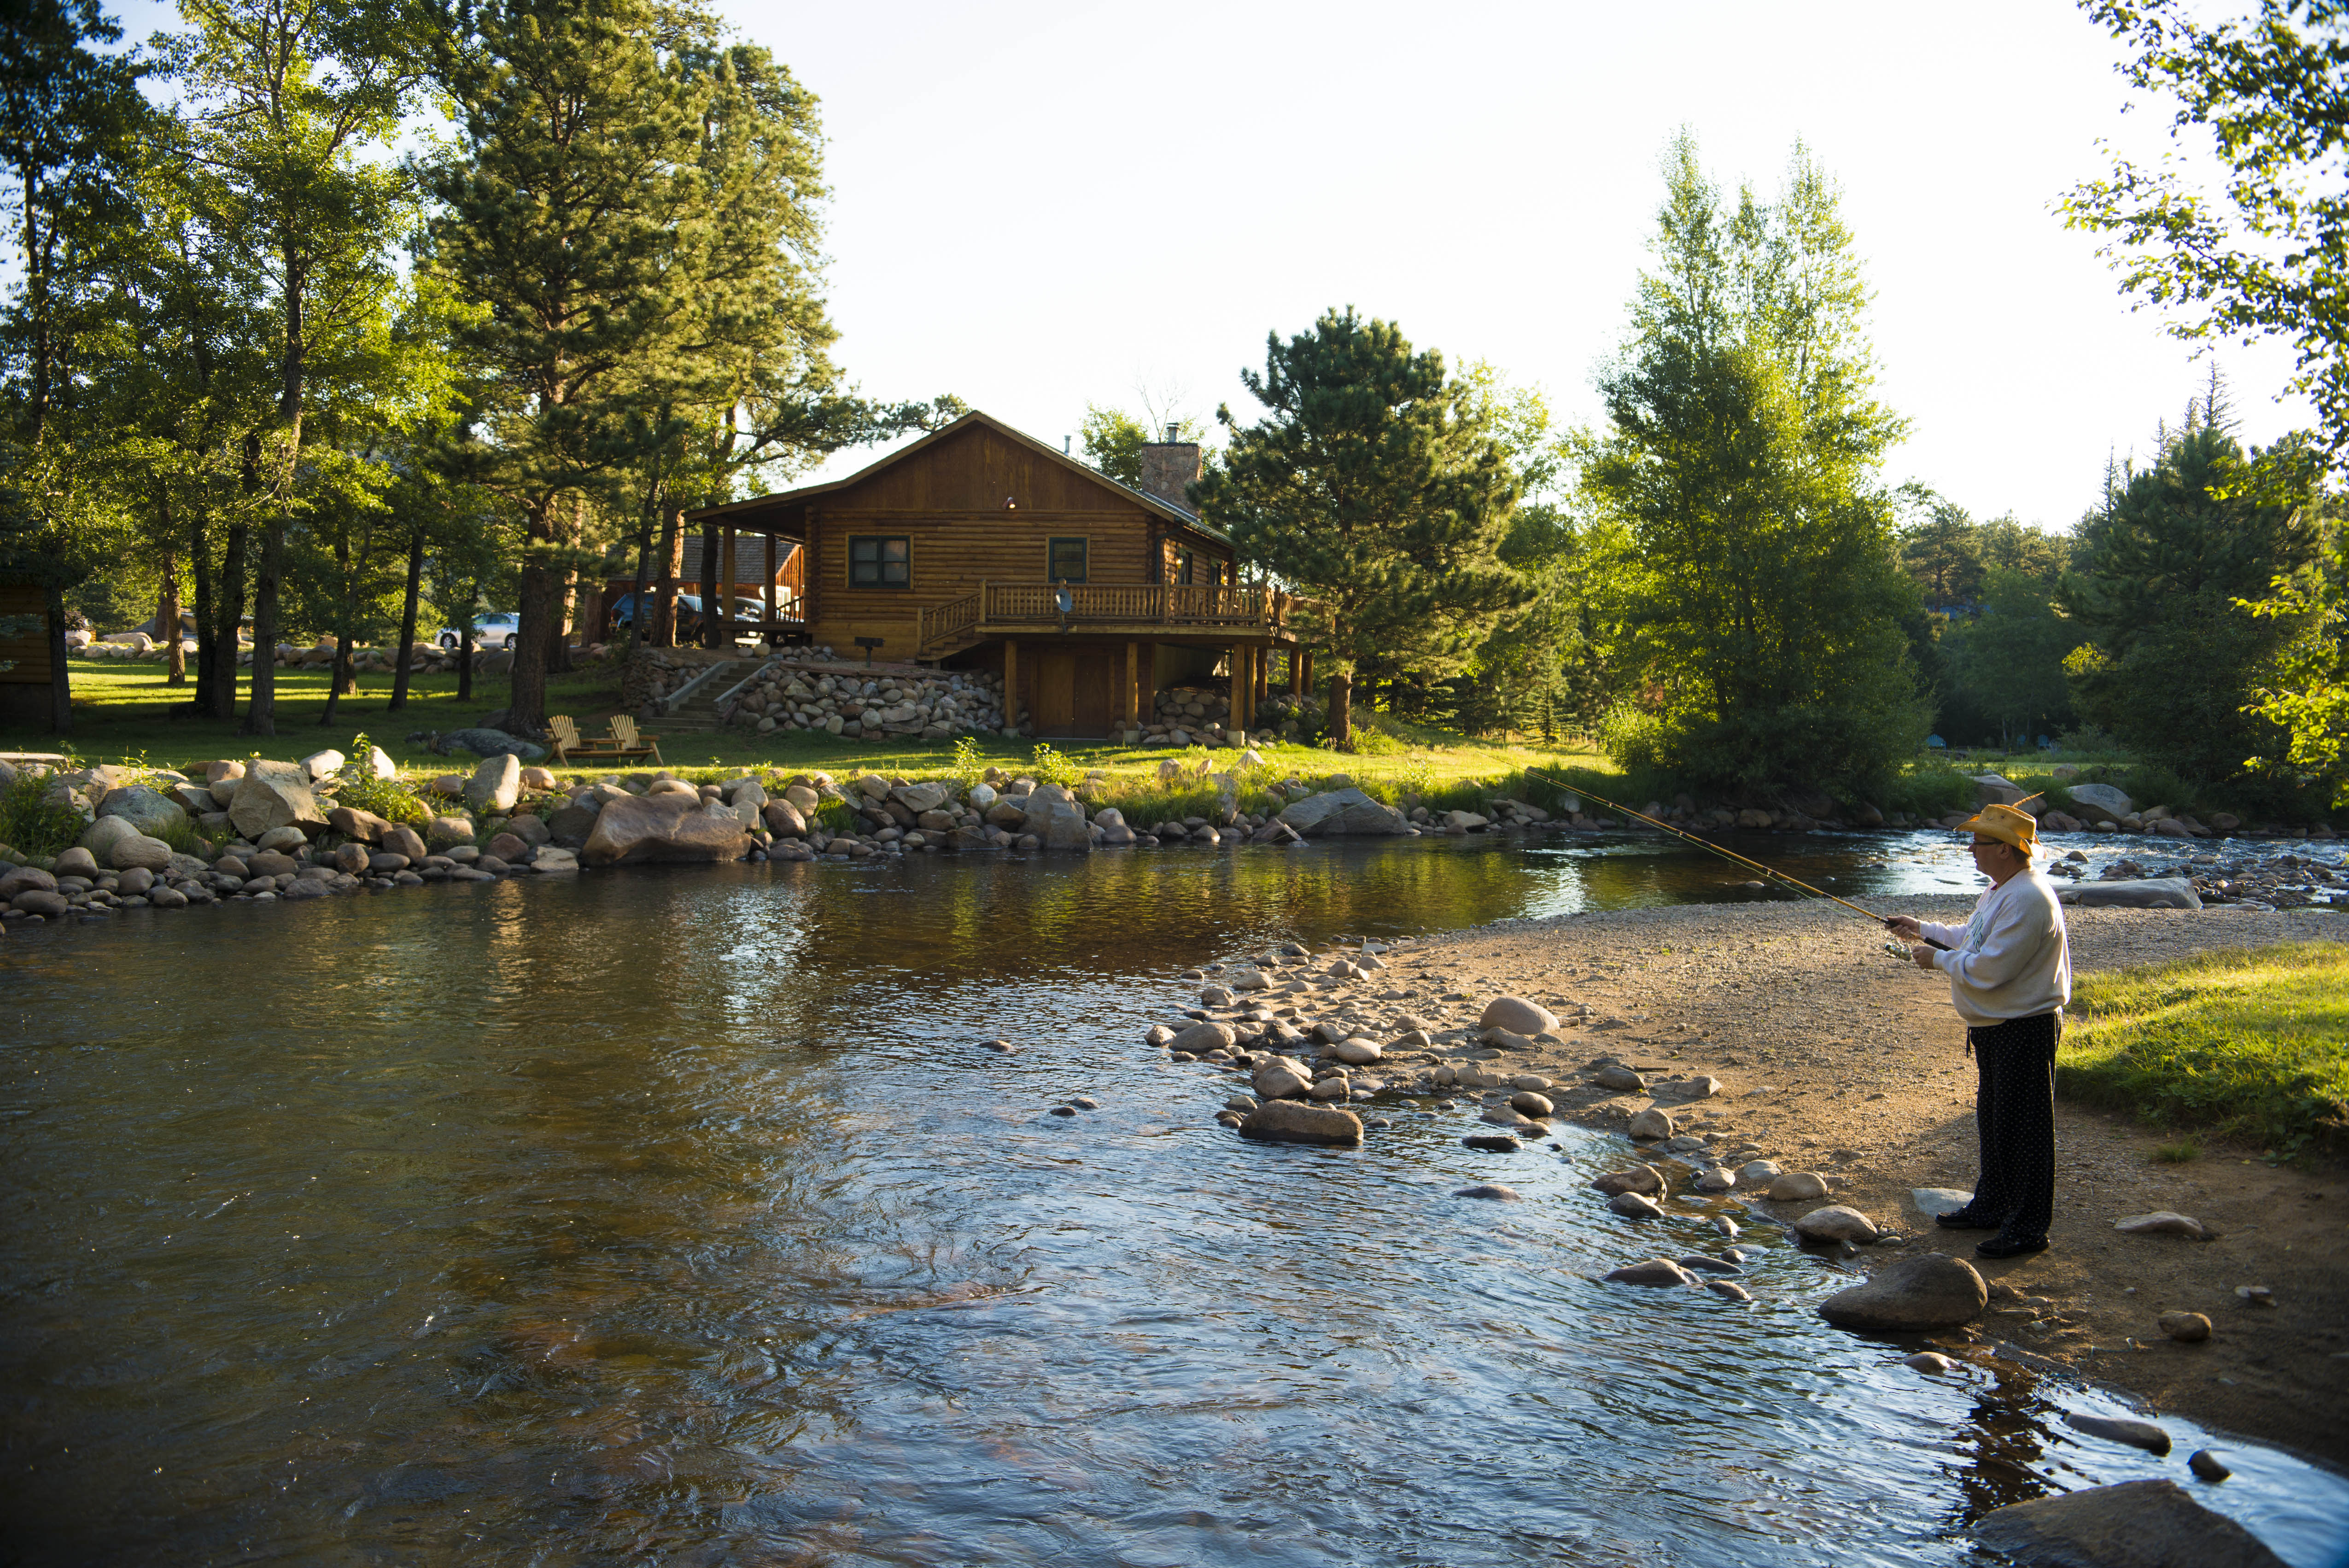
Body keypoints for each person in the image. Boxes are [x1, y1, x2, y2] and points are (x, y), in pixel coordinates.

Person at [1885, 802, 2071, 1260]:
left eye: (1979, 841)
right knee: (1995, 1120)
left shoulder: (2030, 896)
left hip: (2025, 1026)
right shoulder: (2001, 887)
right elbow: (1975, 936)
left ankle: (2028, 1228)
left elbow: (1991, 968)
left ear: (2006, 850)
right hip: (1996, 1025)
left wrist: (1937, 959)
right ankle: (1991, 1205)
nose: (1971, 848)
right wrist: (1924, 930)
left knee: (2026, 1128)